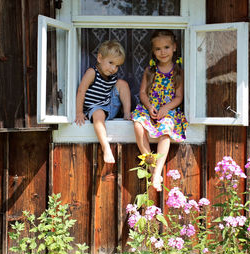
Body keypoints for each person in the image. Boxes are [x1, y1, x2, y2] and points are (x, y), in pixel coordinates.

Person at [131, 30, 188, 191]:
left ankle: (157, 173)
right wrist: (149, 107)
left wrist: (165, 108)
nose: (162, 52)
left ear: (174, 47)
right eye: (158, 49)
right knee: (137, 124)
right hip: (151, 107)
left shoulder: (178, 72)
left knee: (166, 131)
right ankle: (151, 163)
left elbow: (178, 97)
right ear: (153, 51)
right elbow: (142, 92)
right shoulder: (150, 71)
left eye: (166, 47)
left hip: (167, 109)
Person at [75, 40, 131, 164]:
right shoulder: (92, 72)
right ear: (100, 58)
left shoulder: (112, 76)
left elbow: (114, 91)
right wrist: (79, 112)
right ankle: (106, 147)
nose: (113, 69)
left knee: (122, 83)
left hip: (109, 106)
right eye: (111, 63)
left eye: (117, 66)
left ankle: (127, 113)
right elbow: (81, 91)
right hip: (94, 109)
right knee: (98, 113)